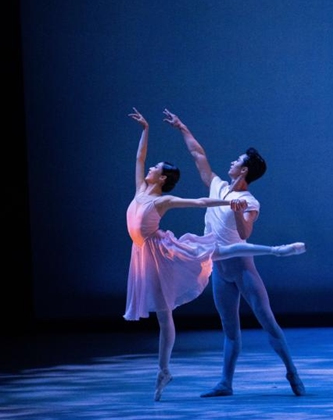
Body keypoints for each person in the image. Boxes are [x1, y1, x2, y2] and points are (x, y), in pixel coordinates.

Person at [125, 108, 306, 402]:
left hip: (243, 269)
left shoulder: (249, 200)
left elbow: (245, 233)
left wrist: (236, 214)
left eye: (238, 161)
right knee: (230, 331)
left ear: (244, 171)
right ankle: (226, 382)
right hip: (219, 269)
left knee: (267, 322)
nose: (232, 162)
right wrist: (182, 127)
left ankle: (291, 371)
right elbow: (199, 156)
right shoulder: (219, 185)